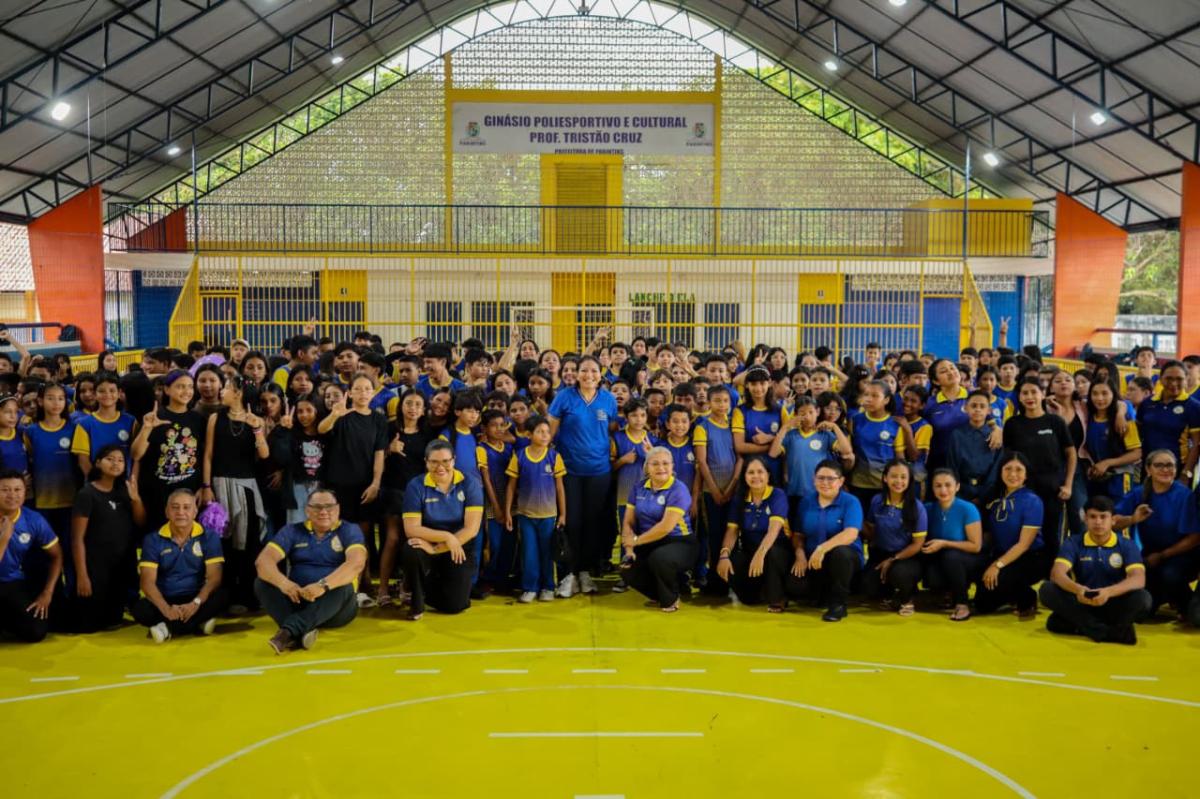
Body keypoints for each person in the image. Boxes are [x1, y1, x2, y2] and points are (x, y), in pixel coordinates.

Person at [254, 487, 367, 653]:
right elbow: (263, 562)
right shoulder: (292, 531)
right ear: (307, 510)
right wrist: (284, 583)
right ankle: (302, 631)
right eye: (317, 507)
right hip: (299, 599)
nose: (323, 512)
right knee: (262, 582)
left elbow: (356, 563)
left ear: (338, 509)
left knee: (345, 585)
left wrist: (322, 586)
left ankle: (288, 632)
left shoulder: (349, 530)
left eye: (329, 507)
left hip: (336, 607)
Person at [547, 355, 618, 597]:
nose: (589, 375)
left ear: (601, 374)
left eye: (594, 371)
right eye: (584, 371)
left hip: (599, 472)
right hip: (570, 472)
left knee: (592, 524)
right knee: (571, 522)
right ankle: (568, 574)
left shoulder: (608, 400)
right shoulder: (565, 397)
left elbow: (609, 429)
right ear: (576, 374)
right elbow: (550, 432)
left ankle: (586, 572)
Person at [1040, 495, 1151, 644]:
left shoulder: (1126, 544)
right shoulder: (1073, 542)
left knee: (1143, 599)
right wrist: (1077, 589)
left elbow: (1138, 579)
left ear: (1113, 520)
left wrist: (1108, 592)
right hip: (1083, 600)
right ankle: (1108, 631)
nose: (1098, 522)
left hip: (1114, 600)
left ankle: (1086, 627)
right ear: (1085, 519)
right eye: (1092, 517)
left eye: (1103, 517)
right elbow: (1057, 573)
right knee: (1047, 589)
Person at [201, 374, 269, 611]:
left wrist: (258, 430)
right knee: (223, 541)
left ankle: (249, 594)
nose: (221, 391)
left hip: (247, 487)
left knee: (249, 541)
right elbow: (208, 455)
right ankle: (225, 595)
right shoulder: (214, 418)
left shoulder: (256, 420)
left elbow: (264, 455)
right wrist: (206, 486)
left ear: (238, 393)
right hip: (219, 486)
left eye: (227, 387)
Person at [399, 440, 484, 619]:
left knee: (455, 605)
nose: (440, 467)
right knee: (411, 548)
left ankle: (427, 585)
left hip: (459, 543)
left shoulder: (470, 483)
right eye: (434, 462)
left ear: (453, 460)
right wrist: (446, 537)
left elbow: (471, 529)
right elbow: (411, 529)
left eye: (446, 461)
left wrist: (438, 549)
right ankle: (416, 599)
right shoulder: (416, 485)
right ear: (426, 462)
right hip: (428, 539)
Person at [1113, 450, 1200, 618]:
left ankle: (1186, 602)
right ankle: (1164, 596)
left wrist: (1162, 555)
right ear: (1148, 469)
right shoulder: (1138, 493)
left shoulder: (1184, 496)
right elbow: (1113, 522)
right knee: (1142, 612)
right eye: (1159, 465)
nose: (1165, 469)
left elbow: (1195, 538)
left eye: (1170, 465)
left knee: (1169, 575)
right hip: (1150, 557)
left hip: (1180, 555)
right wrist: (1132, 519)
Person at [132, 489, 226, 643]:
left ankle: (167, 628)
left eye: (186, 507)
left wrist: (195, 603)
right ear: (167, 512)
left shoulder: (209, 536)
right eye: (175, 507)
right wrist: (166, 609)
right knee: (140, 609)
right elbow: (147, 582)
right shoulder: (152, 539)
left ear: (195, 511)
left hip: (196, 597)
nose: (180, 512)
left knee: (222, 596)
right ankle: (197, 624)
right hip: (166, 598)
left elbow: (214, 578)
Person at [70, 445, 144, 632]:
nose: (116, 463)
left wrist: (136, 499)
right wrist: (82, 575)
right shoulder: (87, 494)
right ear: (97, 463)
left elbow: (141, 521)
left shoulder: (124, 491)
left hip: (120, 567)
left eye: (120, 460)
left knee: (114, 622)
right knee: (88, 625)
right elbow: (77, 539)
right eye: (110, 459)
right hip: (95, 567)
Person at [1002, 378, 1076, 555]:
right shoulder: (1012, 424)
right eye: (1024, 393)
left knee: (1052, 535)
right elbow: (1008, 460)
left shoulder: (1055, 422)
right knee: (1024, 534)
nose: (1029, 397)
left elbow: (1071, 454)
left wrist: (1068, 484)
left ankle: (1052, 573)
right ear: (1018, 397)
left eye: (1034, 392)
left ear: (1043, 394)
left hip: (1053, 489)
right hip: (1024, 489)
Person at [620, 446, 694, 612]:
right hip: (648, 540)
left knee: (660, 558)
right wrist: (630, 550)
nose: (661, 468)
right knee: (627, 569)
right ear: (647, 467)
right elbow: (628, 522)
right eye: (655, 464)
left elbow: (666, 527)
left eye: (665, 463)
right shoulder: (638, 487)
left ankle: (671, 598)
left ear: (673, 466)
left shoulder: (679, 489)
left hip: (680, 541)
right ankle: (659, 593)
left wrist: (636, 541)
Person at [787, 459, 862, 621]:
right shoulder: (806, 502)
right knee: (796, 587)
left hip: (844, 560)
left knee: (841, 553)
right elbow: (799, 534)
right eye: (820, 478)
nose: (825, 483)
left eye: (831, 479)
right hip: (813, 560)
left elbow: (851, 533)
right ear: (814, 480)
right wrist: (800, 554)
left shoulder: (850, 502)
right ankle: (820, 593)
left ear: (841, 481)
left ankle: (838, 606)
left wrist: (822, 549)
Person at [974, 452, 1047, 619]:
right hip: (1001, 554)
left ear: (1026, 474)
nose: (1013, 474)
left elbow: (1024, 544)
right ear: (1000, 471)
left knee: (1004, 578)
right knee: (982, 605)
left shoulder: (1032, 501)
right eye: (1008, 469)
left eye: (1019, 470)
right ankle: (1011, 594)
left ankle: (1027, 597)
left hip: (1029, 557)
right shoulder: (993, 496)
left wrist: (996, 566)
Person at [131, 369, 206, 530]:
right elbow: (136, 454)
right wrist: (146, 429)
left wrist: (203, 486)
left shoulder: (198, 419)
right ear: (167, 389)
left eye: (190, 387)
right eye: (180, 386)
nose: (186, 391)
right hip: (157, 495)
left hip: (189, 494)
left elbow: (203, 456)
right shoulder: (154, 417)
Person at [504, 416, 567, 603]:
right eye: (540, 431)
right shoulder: (519, 456)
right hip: (525, 515)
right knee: (529, 553)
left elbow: (560, 488)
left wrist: (563, 514)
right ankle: (530, 587)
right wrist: (508, 511)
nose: (545, 435)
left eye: (547, 432)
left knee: (547, 552)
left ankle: (548, 586)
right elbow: (511, 486)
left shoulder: (554, 456)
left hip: (548, 515)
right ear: (528, 434)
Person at [716, 456, 790, 611]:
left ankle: (778, 598)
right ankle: (755, 594)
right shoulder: (740, 498)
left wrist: (760, 553)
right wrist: (724, 555)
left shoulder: (777, 495)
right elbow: (732, 530)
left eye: (760, 472)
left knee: (773, 555)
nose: (755, 476)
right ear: (744, 476)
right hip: (751, 548)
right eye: (750, 472)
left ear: (768, 475)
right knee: (733, 562)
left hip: (777, 548)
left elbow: (774, 529)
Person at [0, 469, 62, 642]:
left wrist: (47, 593)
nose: (12, 495)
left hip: (11, 581)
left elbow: (56, 555)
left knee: (36, 632)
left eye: (17, 489)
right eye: (5, 490)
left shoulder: (33, 520)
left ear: (25, 492)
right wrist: (4, 537)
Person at [861, 460, 926, 616]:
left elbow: (917, 545)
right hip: (881, 553)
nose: (898, 481)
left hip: (907, 556)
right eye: (894, 476)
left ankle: (907, 598)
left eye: (904, 477)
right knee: (867, 586)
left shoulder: (917, 507)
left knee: (899, 574)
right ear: (885, 478)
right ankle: (890, 594)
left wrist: (893, 559)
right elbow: (871, 530)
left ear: (910, 480)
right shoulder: (877, 501)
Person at [921, 469, 983, 621]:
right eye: (938, 485)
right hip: (940, 558)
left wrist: (944, 543)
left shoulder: (968, 509)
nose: (943, 490)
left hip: (966, 559)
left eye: (948, 485)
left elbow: (976, 546)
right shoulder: (928, 509)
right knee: (932, 571)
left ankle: (962, 602)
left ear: (957, 486)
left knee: (951, 556)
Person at [1133, 361, 1199, 481]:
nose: (1174, 383)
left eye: (1179, 379)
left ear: (1186, 379)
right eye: (1168, 378)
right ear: (1160, 379)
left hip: (1177, 470)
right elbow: (1137, 434)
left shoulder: (1193, 407)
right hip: (1148, 468)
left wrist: (1186, 473)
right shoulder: (1147, 403)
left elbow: (1196, 445)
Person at [945, 391, 1002, 505]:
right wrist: (958, 492)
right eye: (973, 406)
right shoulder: (957, 435)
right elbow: (951, 466)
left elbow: (996, 469)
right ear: (966, 408)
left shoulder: (995, 436)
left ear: (989, 410)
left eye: (982, 406)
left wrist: (984, 495)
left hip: (988, 495)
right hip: (960, 493)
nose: (978, 409)